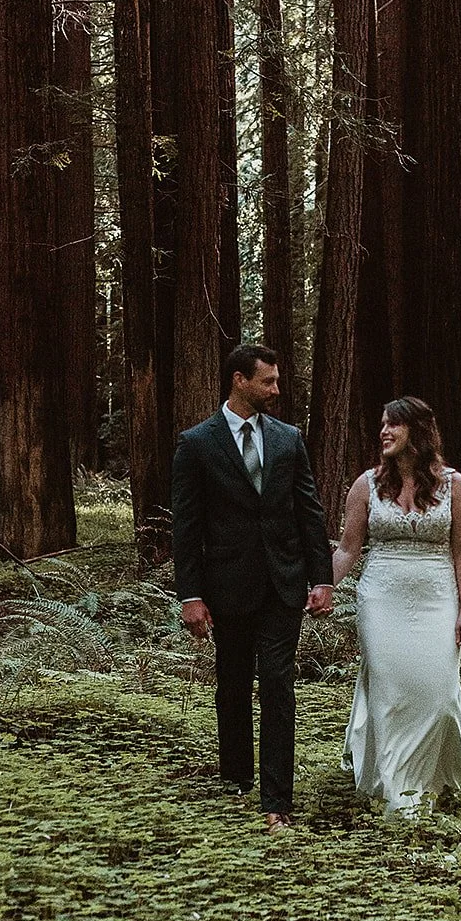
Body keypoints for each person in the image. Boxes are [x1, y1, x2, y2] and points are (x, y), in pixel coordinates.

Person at [172, 344, 334, 832]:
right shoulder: (197, 443)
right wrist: (191, 595)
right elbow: (187, 526)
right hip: (227, 586)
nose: (277, 390)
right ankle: (236, 779)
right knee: (234, 684)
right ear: (240, 380)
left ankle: (276, 801)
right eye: (268, 382)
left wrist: (322, 577)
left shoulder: (288, 439)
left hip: (283, 585)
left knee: (279, 686)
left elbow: (309, 511)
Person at [332, 396, 461, 816]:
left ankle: (433, 774)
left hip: (437, 598)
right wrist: (322, 586)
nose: (383, 432)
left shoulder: (454, 485)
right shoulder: (366, 485)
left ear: (416, 430)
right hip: (381, 599)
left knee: (437, 694)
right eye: (382, 425)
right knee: (389, 693)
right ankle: (401, 790)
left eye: (392, 425)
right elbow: (348, 550)